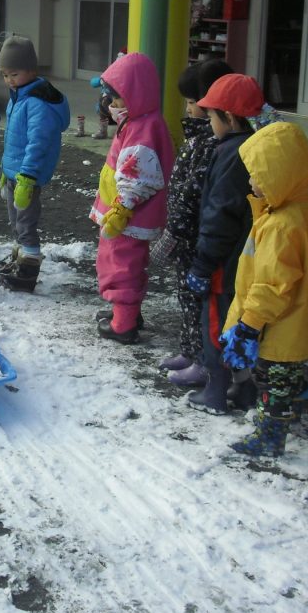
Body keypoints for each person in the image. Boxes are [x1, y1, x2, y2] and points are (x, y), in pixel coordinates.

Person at [216, 122, 308, 456]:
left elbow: (271, 285)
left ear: (281, 175)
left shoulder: (281, 225)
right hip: (298, 320)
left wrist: (249, 326)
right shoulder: (301, 207)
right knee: (287, 374)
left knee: (270, 382)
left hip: (280, 326)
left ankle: (271, 435)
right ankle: (297, 391)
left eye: (258, 175)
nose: (251, 182)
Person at [183, 74, 266, 414]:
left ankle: (215, 390)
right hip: (245, 258)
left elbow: (220, 214)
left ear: (229, 118)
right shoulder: (256, 147)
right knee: (238, 324)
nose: (209, 123)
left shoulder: (233, 155)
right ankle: (244, 387)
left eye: (213, 117)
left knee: (215, 322)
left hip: (224, 260)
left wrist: (203, 263)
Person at [151, 59, 233, 386]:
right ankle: (189, 349)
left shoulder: (212, 144)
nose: (187, 109)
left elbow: (193, 193)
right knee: (185, 296)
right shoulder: (198, 136)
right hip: (186, 239)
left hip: (196, 238)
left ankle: (203, 359)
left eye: (190, 102)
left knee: (201, 302)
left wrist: (174, 230)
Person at [89, 52, 174, 343]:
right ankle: (125, 312)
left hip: (126, 215)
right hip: (123, 211)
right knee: (126, 262)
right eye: (111, 99)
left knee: (120, 264)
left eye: (119, 99)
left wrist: (121, 208)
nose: (113, 106)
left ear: (136, 95)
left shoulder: (144, 128)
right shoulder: (140, 121)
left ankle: (123, 323)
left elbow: (137, 177)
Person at [0, 35, 71, 293]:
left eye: (13, 74)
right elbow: (14, 141)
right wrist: (7, 172)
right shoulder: (19, 97)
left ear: (32, 70)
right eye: (5, 75)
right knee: (15, 220)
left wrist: (26, 176)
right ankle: (19, 256)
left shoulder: (38, 103)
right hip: (16, 172)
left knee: (26, 222)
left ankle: (28, 269)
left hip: (28, 175)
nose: (8, 80)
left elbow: (37, 143)